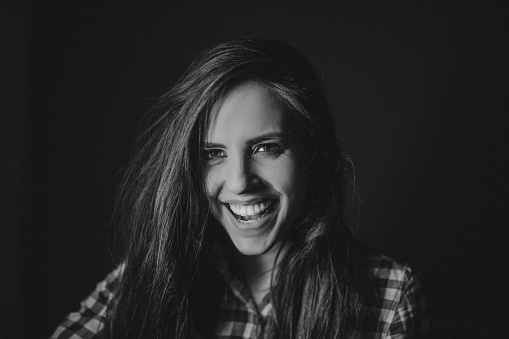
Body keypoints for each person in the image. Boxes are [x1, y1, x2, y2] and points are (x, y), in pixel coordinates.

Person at [50, 38, 429, 338]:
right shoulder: (153, 274)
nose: (239, 182)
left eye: (266, 148)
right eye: (213, 153)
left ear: (313, 152)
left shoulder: (390, 296)